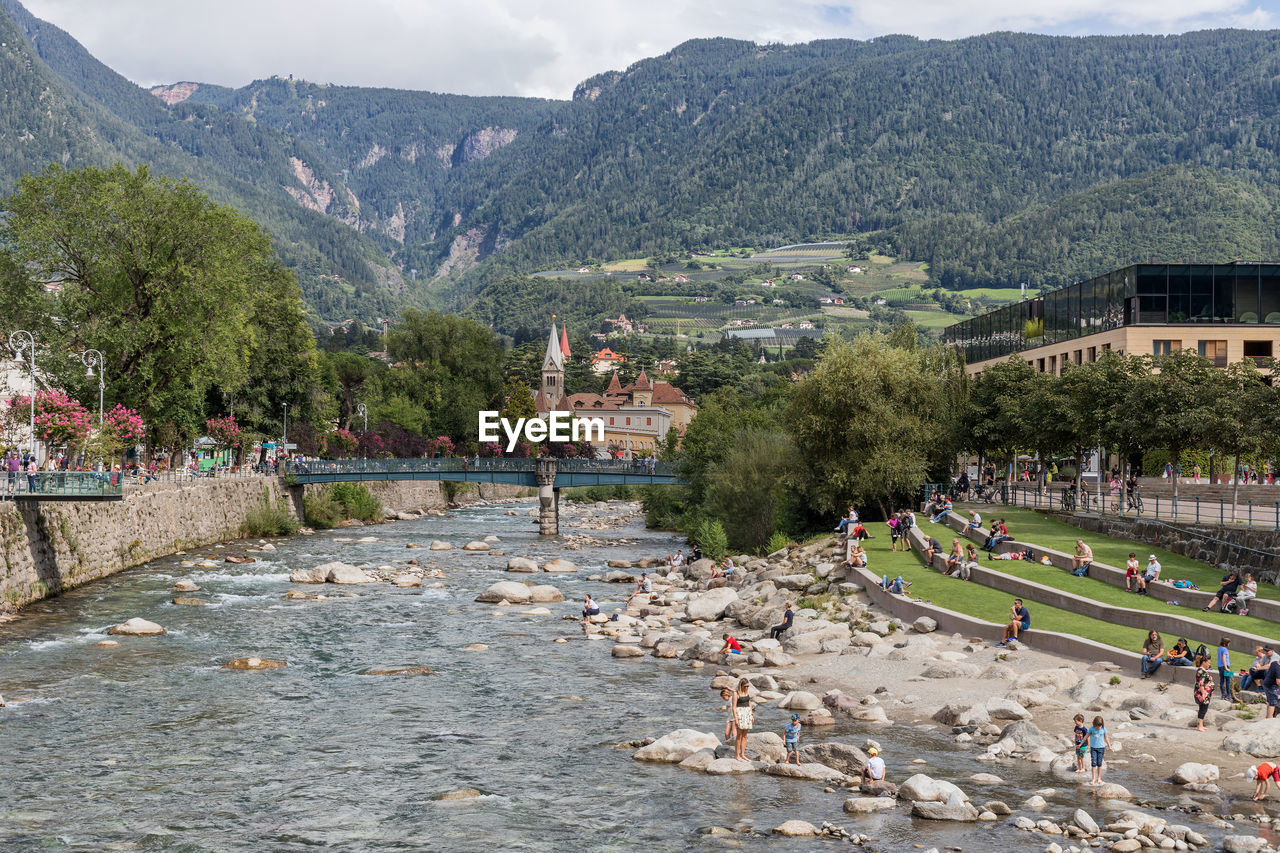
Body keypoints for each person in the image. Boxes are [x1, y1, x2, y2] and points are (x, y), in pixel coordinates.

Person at [1087, 716, 1112, 786]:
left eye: (1099, 726)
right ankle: (1093, 779)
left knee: (1099, 763)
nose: (1098, 727)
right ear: (1094, 724)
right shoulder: (1091, 729)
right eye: (1097, 726)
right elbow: (1086, 736)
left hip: (1101, 748)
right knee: (1093, 763)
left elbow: (1106, 738)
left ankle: (1099, 778)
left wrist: (1110, 746)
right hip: (1093, 748)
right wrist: (1082, 743)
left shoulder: (1103, 729)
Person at [733, 678, 754, 761]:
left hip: (747, 713)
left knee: (745, 736)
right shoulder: (736, 693)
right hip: (740, 714)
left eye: (748, 686)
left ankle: (742, 754)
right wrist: (736, 719)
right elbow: (734, 707)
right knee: (739, 735)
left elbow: (749, 703)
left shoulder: (747, 692)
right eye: (745, 686)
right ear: (741, 685)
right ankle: (737, 755)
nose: (747, 688)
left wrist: (751, 715)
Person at [1194, 655, 1215, 731]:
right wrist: (1203, 694)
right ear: (1204, 662)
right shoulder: (1201, 671)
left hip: (1205, 693)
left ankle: (1201, 725)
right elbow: (1201, 683)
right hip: (1202, 693)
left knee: (1203, 709)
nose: (1209, 664)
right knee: (1203, 709)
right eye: (1208, 663)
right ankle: (1200, 726)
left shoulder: (1202, 671)